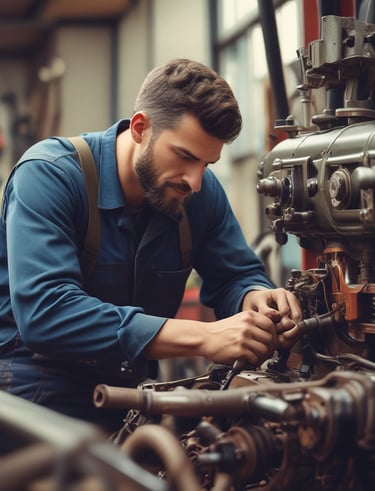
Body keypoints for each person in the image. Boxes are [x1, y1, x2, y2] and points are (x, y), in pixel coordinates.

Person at [0, 58, 302, 431]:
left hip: (135, 397)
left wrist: (254, 296)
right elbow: (47, 312)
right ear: (141, 128)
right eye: (185, 156)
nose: (195, 180)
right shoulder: (50, 175)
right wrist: (203, 337)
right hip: (36, 399)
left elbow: (234, 274)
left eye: (207, 163)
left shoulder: (199, 193)